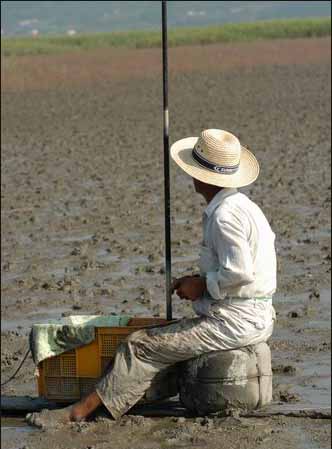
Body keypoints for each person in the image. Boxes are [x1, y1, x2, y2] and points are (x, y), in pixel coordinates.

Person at [26, 129, 276, 427]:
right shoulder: (244, 207)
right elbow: (240, 270)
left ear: (203, 177)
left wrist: (202, 286)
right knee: (163, 340)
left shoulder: (224, 216)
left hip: (235, 321)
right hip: (251, 315)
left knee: (139, 345)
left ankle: (77, 412)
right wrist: (197, 279)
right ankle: (113, 402)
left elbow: (239, 272)